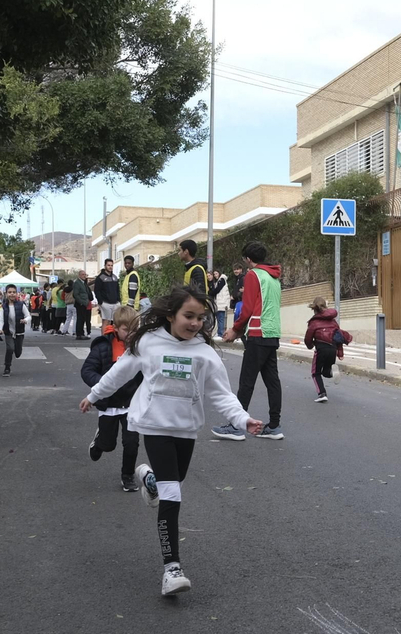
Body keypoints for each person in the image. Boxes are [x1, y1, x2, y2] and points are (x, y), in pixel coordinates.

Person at [81, 288, 262, 596]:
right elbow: (119, 373)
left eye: (200, 318)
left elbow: (220, 394)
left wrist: (242, 419)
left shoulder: (204, 352)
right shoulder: (148, 343)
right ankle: (172, 569)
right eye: (188, 316)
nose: (194, 324)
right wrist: (94, 395)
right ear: (170, 315)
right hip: (153, 424)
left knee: (172, 482)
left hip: (186, 428)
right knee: (173, 495)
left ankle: (148, 479)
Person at [215, 241, 284, 441]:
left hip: (257, 332)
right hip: (273, 333)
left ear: (248, 259)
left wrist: (236, 329)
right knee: (273, 381)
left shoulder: (253, 275)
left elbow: (248, 308)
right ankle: (274, 425)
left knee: (247, 381)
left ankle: (237, 426)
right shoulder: (273, 276)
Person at [82, 306, 144, 492]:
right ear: (116, 328)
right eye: (127, 330)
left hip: (131, 404)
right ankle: (99, 442)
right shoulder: (103, 346)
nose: (131, 334)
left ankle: (127, 476)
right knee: (109, 445)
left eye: (135, 329)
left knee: (131, 443)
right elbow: (87, 370)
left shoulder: (141, 349)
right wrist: (102, 385)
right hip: (108, 404)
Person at [303, 296, 350, 404]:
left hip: (321, 349)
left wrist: (310, 345)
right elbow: (339, 337)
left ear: (314, 308)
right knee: (326, 371)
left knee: (316, 373)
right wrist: (340, 352)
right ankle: (333, 373)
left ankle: (322, 394)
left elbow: (308, 338)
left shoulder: (314, 322)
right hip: (332, 349)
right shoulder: (333, 322)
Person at [0, 285, 29, 377]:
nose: (12, 294)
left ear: (16, 293)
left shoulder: (21, 305)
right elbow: (1, 319)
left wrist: (25, 320)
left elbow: (28, 315)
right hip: (8, 332)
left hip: (19, 332)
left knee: (18, 353)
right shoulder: (3, 306)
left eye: (14, 292)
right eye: (10, 292)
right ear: (6, 294)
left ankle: (18, 349)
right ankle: (7, 368)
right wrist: (0, 328)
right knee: (10, 348)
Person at [94, 259, 121, 323]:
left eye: (111, 265)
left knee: (115, 322)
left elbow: (117, 290)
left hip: (115, 303)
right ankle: (104, 333)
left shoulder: (115, 277)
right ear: (105, 266)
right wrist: (101, 302)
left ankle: (112, 333)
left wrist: (119, 300)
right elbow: (97, 290)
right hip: (105, 303)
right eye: (108, 265)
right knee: (106, 322)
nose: (110, 267)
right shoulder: (100, 277)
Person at [71, 271, 94, 340]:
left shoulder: (84, 283)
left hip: (85, 303)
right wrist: (81, 302)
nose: (84, 276)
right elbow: (75, 294)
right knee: (80, 319)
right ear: (79, 275)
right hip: (80, 304)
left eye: (85, 275)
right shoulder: (77, 283)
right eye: (83, 275)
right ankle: (79, 334)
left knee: (83, 319)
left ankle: (82, 333)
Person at [210, 270, 230, 337]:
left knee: (221, 318)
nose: (215, 275)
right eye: (214, 274)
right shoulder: (218, 281)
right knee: (219, 318)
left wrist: (211, 293)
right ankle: (219, 332)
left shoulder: (222, 279)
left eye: (216, 273)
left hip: (222, 302)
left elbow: (217, 290)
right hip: (219, 303)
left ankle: (220, 333)